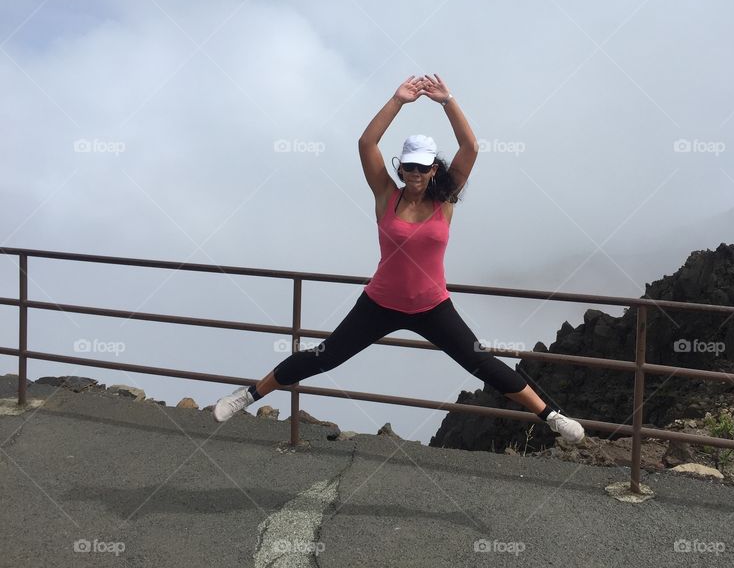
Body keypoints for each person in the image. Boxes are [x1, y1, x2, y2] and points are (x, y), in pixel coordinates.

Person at [212, 74, 585, 445]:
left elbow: (470, 146)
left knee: (481, 362)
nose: (417, 173)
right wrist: (397, 100)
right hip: (379, 304)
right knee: (323, 357)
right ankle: (246, 396)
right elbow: (366, 142)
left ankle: (553, 418)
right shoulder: (385, 195)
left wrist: (447, 100)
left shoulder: (445, 200)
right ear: (401, 167)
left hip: (432, 307)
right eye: (410, 167)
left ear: (434, 169)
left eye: (424, 167)